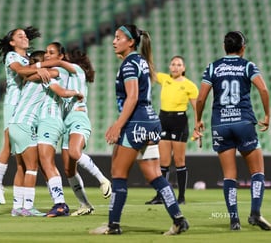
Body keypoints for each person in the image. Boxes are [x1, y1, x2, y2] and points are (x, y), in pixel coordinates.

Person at [90, 25, 189, 236]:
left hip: (135, 123)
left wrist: (118, 125)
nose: (114, 41)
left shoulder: (128, 64)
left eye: (118, 38)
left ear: (131, 42)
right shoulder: (142, 61)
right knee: (154, 174)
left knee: (118, 173)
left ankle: (113, 225)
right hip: (152, 123)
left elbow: (132, 97)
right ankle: (178, 219)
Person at [193, 31, 270, 231]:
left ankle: (234, 220)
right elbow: (263, 90)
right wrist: (268, 115)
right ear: (242, 48)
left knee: (229, 175)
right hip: (243, 122)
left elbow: (200, 99)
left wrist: (198, 119)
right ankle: (255, 213)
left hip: (220, 124)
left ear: (224, 46)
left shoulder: (213, 67)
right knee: (257, 171)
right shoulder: (248, 66)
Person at [8, 50, 82, 216]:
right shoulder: (44, 76)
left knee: (27, 166)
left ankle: (20, 207)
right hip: (27, 123)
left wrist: (36, 69)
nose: (48, 59)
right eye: (46, 56)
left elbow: (37, 76)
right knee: (32, 167)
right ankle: (28, 207)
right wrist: (37, 69)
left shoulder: (57, 72)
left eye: (51, 54)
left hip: (26, 122)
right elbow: (57, 88)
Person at [0, 27, 50, 205]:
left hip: (26, 106)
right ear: (12, 42)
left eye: (25, 35)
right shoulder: (12, 57)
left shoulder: (28, 57)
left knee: (22, 159)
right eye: (20, 36)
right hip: (13, 103)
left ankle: (20, 204)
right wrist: (38, 69)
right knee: (8, 141)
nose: (24, 38)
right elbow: (21, 71)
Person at [60, 47, 112, 216]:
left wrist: (39, 64)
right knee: (68, 170)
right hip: (66, 123)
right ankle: (85, 205)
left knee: (75, 152)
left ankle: (103, 180)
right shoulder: (68, 77)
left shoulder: (77, 71)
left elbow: (59, 63)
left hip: (78, 118)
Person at [146, 55, 198, 205]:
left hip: (179, 121)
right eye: (173, 64)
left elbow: (196, 109)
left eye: (179, 65)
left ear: (184, 68)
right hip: (163, 119)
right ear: (169, 67)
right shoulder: (164, 79)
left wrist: (197, 127)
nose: (175, 67)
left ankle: (181, 197)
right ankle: (160, 196)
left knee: (179, 161)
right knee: (163, 161)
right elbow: (149, 71)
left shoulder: (190, 86)